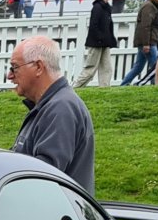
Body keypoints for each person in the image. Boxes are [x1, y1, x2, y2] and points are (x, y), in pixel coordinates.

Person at [8, 36, 96, 192]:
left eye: (14, 67)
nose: (10, 75)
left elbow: (43, 177)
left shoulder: (61, 108)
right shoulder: (49, 106)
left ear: (39, 67)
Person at [73, 0, 118, 87]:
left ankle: (104, 88)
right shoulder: (97, 7)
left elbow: (109, 25)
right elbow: (93, 25)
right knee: (91, 69)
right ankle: (75, 87)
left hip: (104, 42)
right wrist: (100, 37)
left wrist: (110, 39)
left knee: (107, 68)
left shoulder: (107, 7)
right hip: (96, 42)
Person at [121, 0, 158, 85]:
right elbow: (145, 26)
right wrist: (146, 44)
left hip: (148, 40)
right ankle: (155, 85)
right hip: (148, 41)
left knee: (138, 67)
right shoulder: (149, 6)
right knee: (156, 66)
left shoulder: (154, 6)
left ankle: (124, 84)